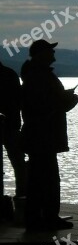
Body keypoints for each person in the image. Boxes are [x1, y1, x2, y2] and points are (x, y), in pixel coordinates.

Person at [20, 40, 78, 230]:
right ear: (41, 54)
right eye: (50, 51)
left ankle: (37, 218)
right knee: (48, 179)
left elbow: (48, 103)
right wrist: (68, 101)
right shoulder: (39, 76)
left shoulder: (35, 75)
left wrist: (64, 99)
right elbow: (46, 107)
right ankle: (48, 218)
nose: (54, 55)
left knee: (39, 179)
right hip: (43, 137)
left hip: (39, 136)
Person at [0, 60, 26, 199]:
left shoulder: (10, 75)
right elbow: (19, 101)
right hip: (13, 125)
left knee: (18, 163)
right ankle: (22, 196)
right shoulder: (10, 74)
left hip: (11, 125)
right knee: (18, 163)